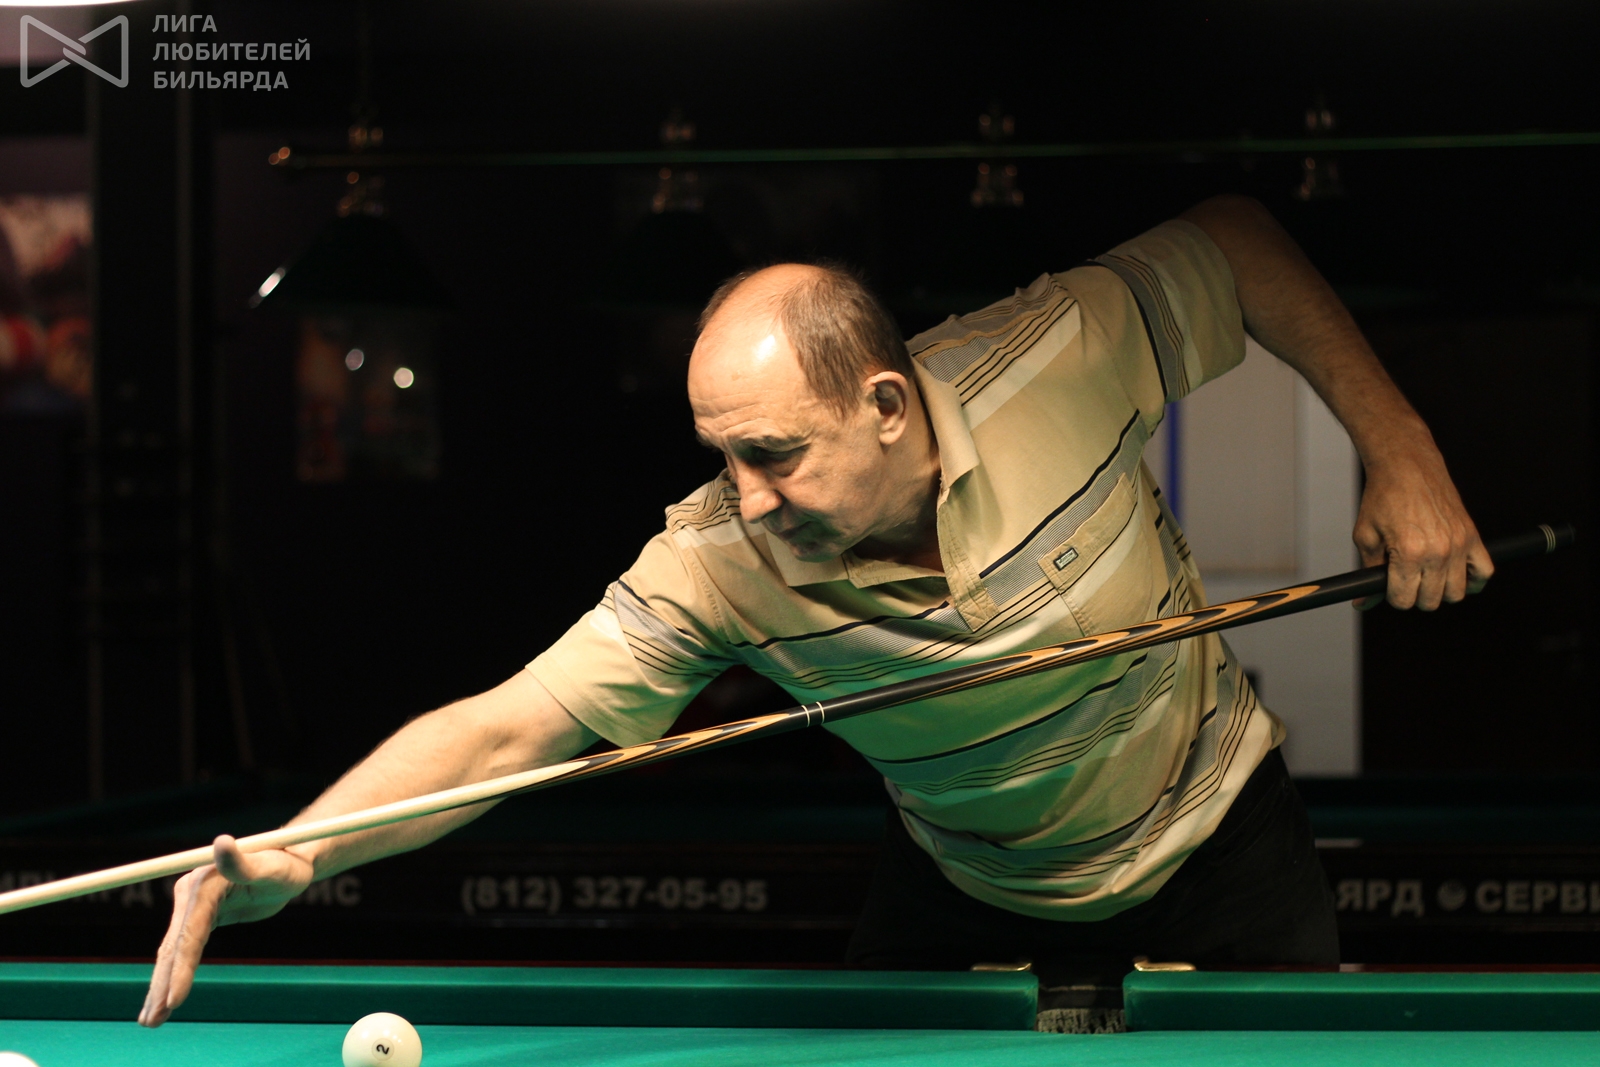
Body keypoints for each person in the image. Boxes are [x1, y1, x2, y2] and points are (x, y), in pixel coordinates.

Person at [138, 195, 1489, 1027]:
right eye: (722, 455)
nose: (748, 496)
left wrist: (1404, 450)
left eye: (774, 453)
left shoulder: (1055, 363)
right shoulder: (720, 561)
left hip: (1219, 838)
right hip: (967, 880)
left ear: (887, 406)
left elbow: (1235, 243)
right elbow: (512, 726)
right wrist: (304, 853)